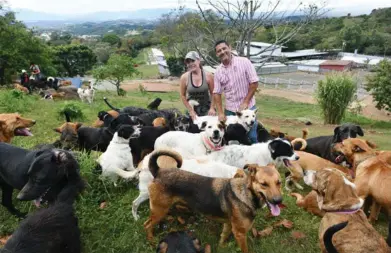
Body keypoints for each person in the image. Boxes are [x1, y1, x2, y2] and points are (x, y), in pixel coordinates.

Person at [213, 40, 259, 143]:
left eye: (224, 48)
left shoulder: (244, 62)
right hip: (230, 111)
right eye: (219, 51)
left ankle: (254, 158)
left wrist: (246, 101)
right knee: (230, 139)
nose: (222, 52)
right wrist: (220, 112)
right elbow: (217, 93)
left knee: (251, 138)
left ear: (229, 47)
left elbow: (254, 83)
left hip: (248, 108)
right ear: (216, 54)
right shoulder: (218, 72)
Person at [179, 51, 216, 120]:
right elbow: (182, 95)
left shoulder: (208, 75)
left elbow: (213, 93)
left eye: (193, 61)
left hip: (207, 108)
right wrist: (190, 110)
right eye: (188, 62)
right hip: (192, 108)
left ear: (198, 61)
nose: (190, 64)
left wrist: (212, 108)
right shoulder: (184, 77)